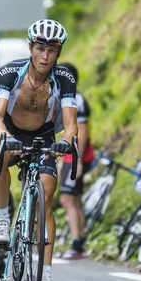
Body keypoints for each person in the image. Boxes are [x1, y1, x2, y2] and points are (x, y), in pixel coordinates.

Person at [0, 18, 77, 281]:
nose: (45, 56)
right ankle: (2, 221)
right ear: (30, 47)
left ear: (58, 52)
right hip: (11, 133)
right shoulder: (10, 72)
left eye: (52, 51)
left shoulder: (64, 78)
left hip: (44, 139)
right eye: (40, 48)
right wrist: (5, 138)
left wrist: (65, 141)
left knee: (46, 198)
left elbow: (71, 124)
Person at [57, 62, 95, 260]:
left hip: (77, 156)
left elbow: (82, 132)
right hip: (71, 156)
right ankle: (79, 241)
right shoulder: (69, 98)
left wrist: (76, 160)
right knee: (75, 198)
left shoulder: (77, 100)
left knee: (67, 198)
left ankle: (76, 243)